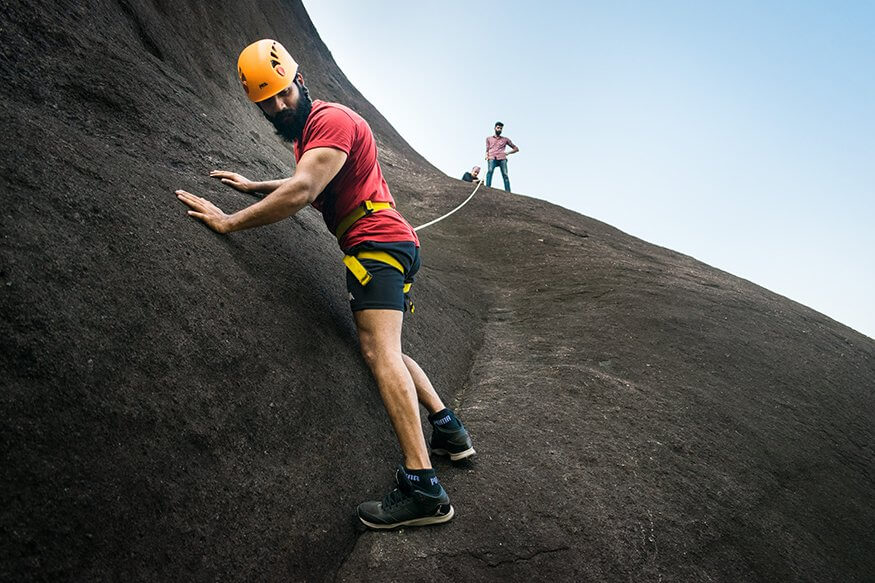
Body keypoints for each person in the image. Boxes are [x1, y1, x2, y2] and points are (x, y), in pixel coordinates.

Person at [174, 39, 475, 529]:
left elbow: (306, 188)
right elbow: (310, 177)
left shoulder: (331, 120)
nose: (277, 106)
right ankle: (449, 430)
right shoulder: (310, 137)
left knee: (379, 353)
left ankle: (424, 489)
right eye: (265, 102)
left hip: (376, 242)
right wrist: (257, 185)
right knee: (389, 348)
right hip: (388, 243)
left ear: (301, 81)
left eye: (282, 93)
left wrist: (231, 220)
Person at [485, 121, 519, 192]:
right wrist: (486, 155)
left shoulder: (505, 139)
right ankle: (487, 188)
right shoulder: (488, 138)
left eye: (501, 128)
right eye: (498, 128)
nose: (499, 129)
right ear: (494, 128)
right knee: (490, 171)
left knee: (505, 174)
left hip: (502, 158)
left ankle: (508, 191)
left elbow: (516, 149)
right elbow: (487, 149)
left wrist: (508, 153)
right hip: (492, 157)